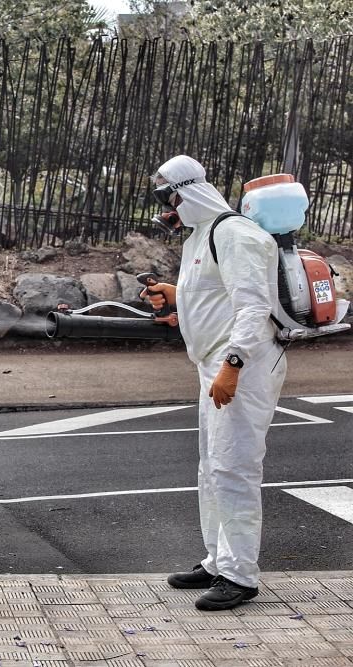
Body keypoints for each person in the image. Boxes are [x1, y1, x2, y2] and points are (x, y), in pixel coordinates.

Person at [141, 155, 287, 611]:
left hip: (245, 366)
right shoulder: (202, 237)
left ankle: (240, 576)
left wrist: (233, 363)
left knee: (235, 467)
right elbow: (214, 295)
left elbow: (251, 306)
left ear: (185, 193)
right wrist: (176, 297)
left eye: (170, 201)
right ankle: (217, 561)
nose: (168, 211)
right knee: (211, 466)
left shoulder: (234, 234)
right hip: (215, 364)